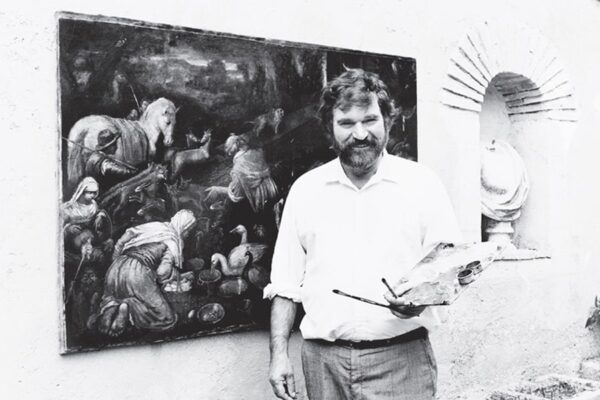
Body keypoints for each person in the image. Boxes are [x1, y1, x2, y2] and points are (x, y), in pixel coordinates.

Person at [264, 69, 461, 400]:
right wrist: (279, 355)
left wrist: (416, 304)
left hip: (401, 360)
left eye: (370, 120)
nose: (360, 134)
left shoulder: (423, 184)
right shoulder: (305, 190)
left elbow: (448, 270)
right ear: (330, 129)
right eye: (346, 123)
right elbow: (285, 282)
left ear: (387, 121)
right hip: (323, 363)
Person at [93, 209, 196, 337]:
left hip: (116, 267)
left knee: (114, 294)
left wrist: (115, 257)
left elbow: (128, 234)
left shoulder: (157, 226)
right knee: (167, 318)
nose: (187, 234)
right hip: (137, 273)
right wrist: (176, 276)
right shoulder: (172, 241)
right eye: (188, 230)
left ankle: (112, 307)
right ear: (183, 227)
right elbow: (162, 272)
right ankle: (128, 307)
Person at [62, 177, 113, 261]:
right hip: (74, 236)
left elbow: (95, 220)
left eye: (94, 193)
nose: (93, 195)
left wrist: (100, 215)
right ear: (82, 192)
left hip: (90, 235)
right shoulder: (71, 207)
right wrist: (70, 228)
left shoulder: (93, 205)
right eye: (90, 192)